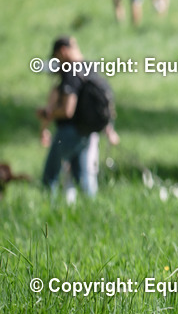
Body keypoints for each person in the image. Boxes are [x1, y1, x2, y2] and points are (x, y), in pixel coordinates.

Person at [37, 37, 119, 199]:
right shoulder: (90, 69)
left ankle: (46, 213)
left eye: (56, 58)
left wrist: (46, 113)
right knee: (83, 178)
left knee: (50, 176)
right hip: (86, 133)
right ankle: (91, 212)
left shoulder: (71, 72)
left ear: (62, 51)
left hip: (68, 131)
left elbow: (68, 110)